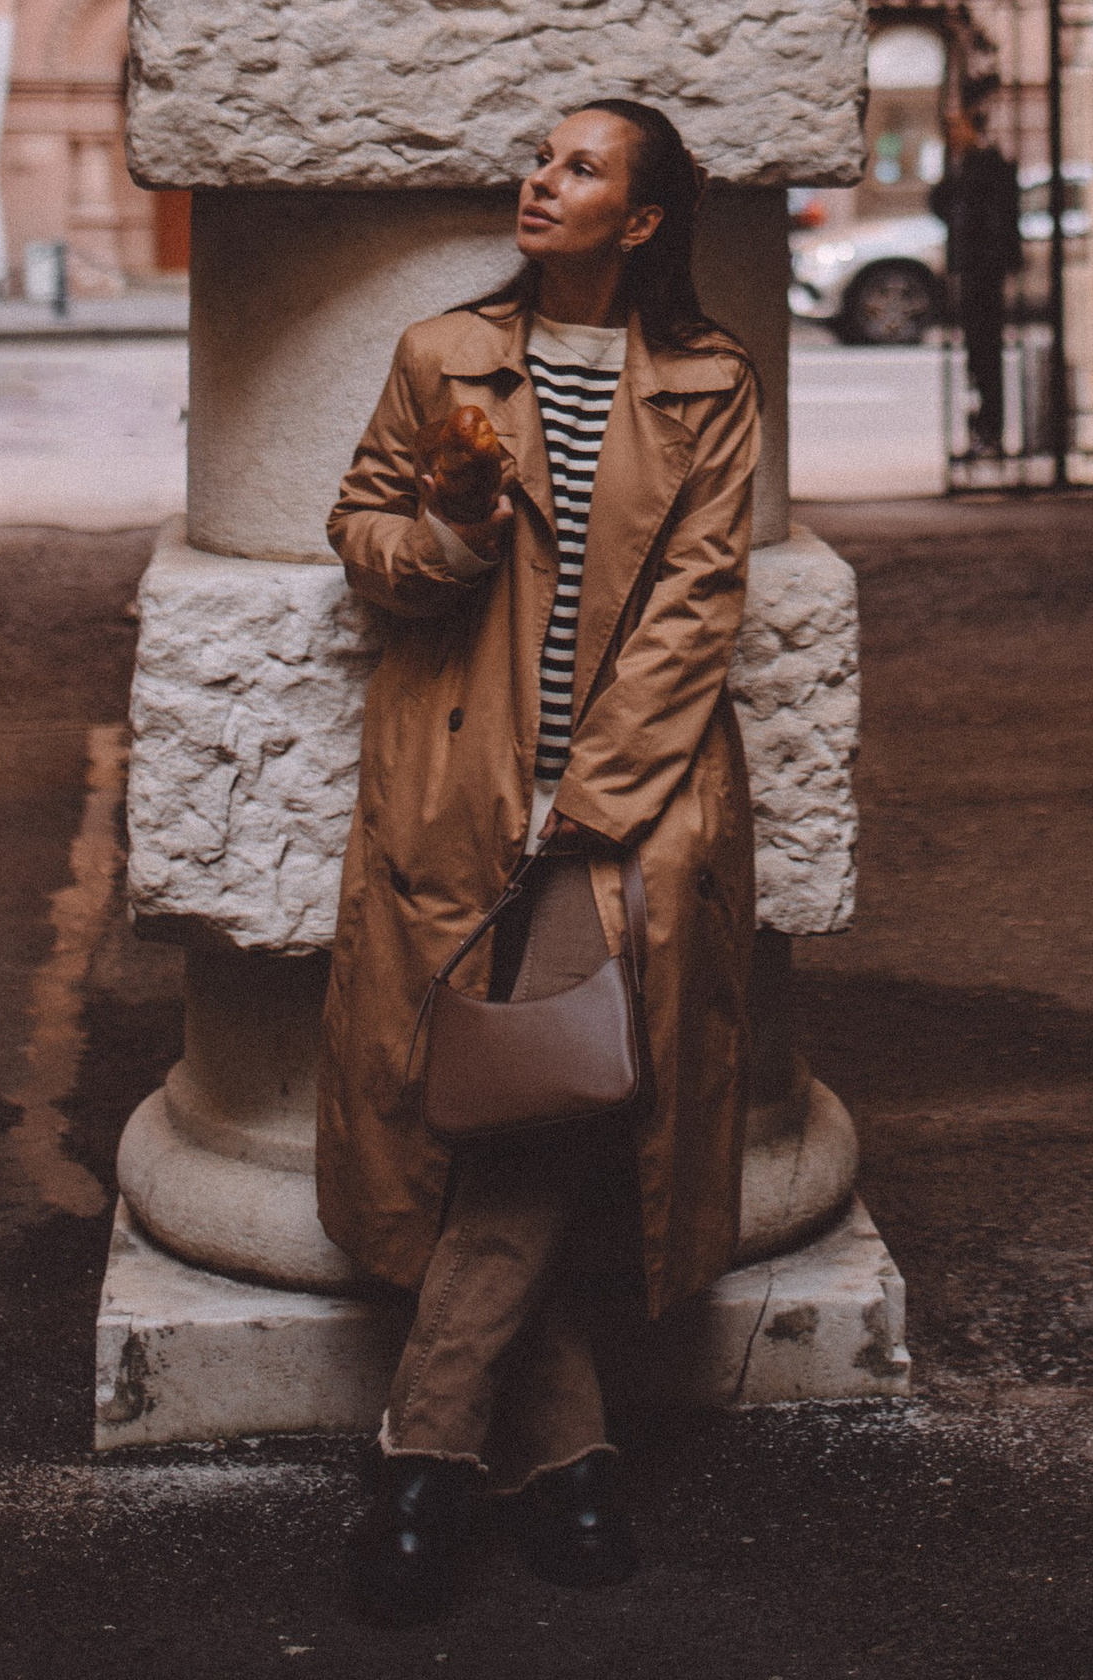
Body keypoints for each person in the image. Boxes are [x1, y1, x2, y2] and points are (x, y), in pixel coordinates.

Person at [320, 99, 759, 1629]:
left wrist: (595, 796)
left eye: (581, 167)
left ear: (640, 222)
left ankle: (426, 1451)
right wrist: (441, 527)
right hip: (451, 779)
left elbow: (703, 599)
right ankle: (567, 1454)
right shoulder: (444, 356)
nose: (540, 179)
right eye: (541, 156)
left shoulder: (707, 383)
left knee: (566, 1099)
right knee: (482, 1102)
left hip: (626, 806)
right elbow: (362, 532)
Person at [933, 95, 1023, 454]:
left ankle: (990, 430)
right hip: (972, 268)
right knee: (975, 352)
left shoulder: (987, 164)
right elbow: (940, 203)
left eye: (957, 126)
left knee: (986, 352)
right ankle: (982, 428)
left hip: (985, 270)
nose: (951, 134)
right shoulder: (963, 164)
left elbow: (995, 216)